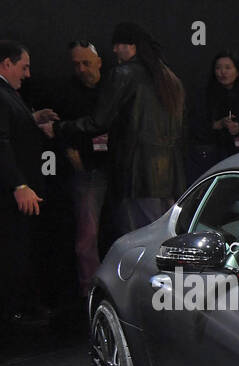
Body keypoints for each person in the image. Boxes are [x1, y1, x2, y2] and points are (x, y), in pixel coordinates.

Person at [45, 23, 186, 235]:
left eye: (118, 44)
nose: (113, 50)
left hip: (135, 177)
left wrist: (58, 127)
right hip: (169, 177)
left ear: (131, 46)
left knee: (136, 242)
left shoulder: (123, 74)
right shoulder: (170, 78)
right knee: (163, 240)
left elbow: (98, 122)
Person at [0, 41, 56, 328]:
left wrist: (32, 119)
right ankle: (13, 312)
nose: (28, 74)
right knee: (14, 251)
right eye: (24, 67)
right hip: (12, 195)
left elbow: (11, 128)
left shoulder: (8, 93)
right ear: (6, 64)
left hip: (19, 191)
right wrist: (19, 186)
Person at [53, 40, 110, 303]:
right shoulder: (66, 92)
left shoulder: (113, 87)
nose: (82, 69)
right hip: (87, 172)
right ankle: (91, 292)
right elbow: (59, 128)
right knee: (86, 237)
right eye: (76, 64)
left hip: (119, 169)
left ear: (98, 62)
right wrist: (69, 151)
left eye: (86, 62)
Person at [192, 51, 239, 174]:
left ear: (237, 71)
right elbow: (195, 128)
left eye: (228, 68)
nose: (223, 72)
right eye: (218, 68)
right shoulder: (205, 97)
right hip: (213, 158)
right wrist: (216, 125)